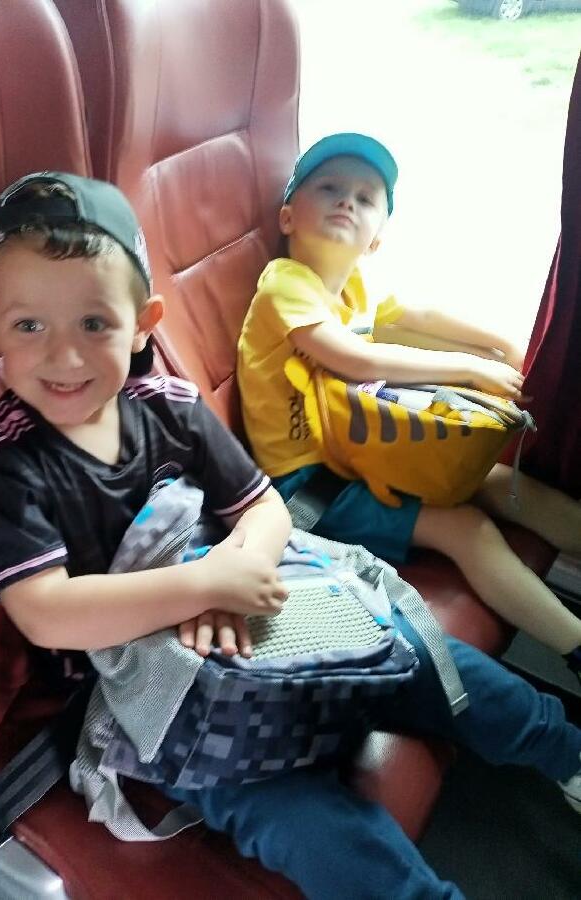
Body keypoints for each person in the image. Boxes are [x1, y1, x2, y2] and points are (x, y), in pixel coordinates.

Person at [0, 172, 580, 900]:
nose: (66, 357)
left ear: (144, 321)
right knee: (303, 824)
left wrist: (230, 577)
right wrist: (202, 587)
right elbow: (47, 612)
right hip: (156, 686)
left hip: (252, 599)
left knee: (430, 659)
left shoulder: (169, 406)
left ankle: (565, 752)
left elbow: (264, 509)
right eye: (29, 326)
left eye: (95, 324)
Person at [237, 132, 581, 683]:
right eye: (328, 188)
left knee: (500, 482)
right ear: (287, 218)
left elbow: (418, 316)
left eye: (365, 198)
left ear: (375, 241)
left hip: (359, 454)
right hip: (310, 486)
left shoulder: (355, 286)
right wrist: (467, 369)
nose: (347, 201)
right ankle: (575, 645)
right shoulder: (285, 284)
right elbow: (351, 358)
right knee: (465, 527)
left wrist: (504, 344)